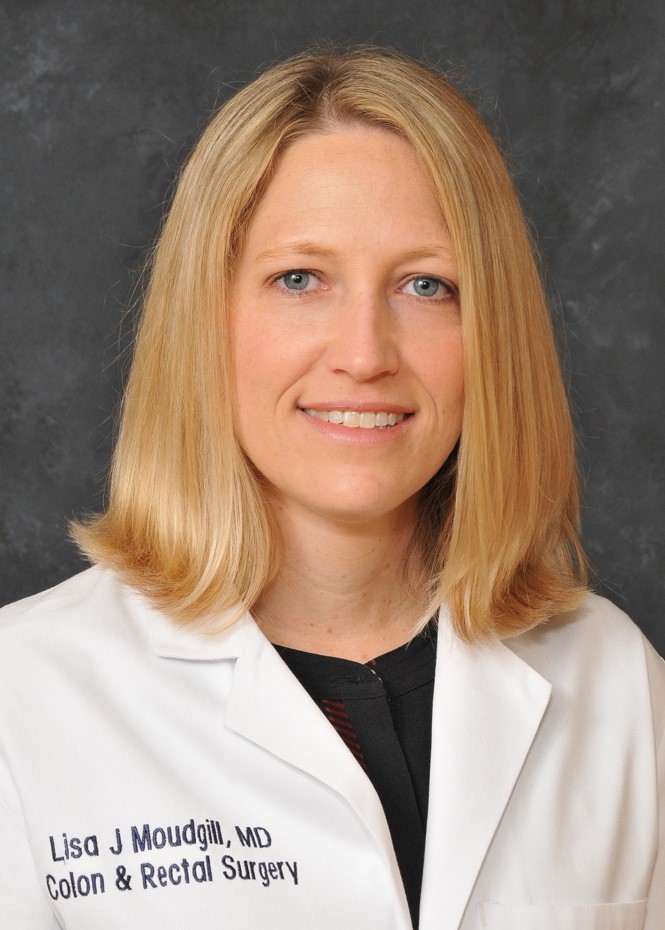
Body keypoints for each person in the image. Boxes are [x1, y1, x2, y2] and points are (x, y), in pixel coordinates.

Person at [0, 46, 662, 930]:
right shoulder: (25, 694)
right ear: (207, 314)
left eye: (427, 285)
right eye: (299, 280)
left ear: (491, 333)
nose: (363, 352)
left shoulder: (614, 680)